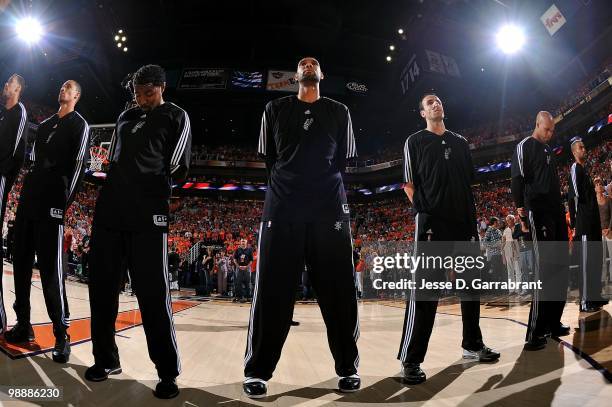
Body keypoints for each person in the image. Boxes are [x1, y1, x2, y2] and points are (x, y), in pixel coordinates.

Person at [243, 57, 360, 398]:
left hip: (329, 209)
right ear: (295, 76)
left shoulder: (340, 111)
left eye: (314, 63)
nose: (309, 65)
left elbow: (343, 162)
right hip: (283, 207)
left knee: (339, 291)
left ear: (321, 74)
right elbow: (270, 159)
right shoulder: (274, 109)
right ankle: (258, 371)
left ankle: (348, 367)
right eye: (303, 64)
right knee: (272, 291)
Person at [86, 64, 191, 399]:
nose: (143, 98)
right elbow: (113, 162)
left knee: (151, 294)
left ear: (161, 87)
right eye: (138, 92)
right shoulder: (125, 118)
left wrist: (148, 190)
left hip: (148, 215)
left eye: (148, 92)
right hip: (109, 212)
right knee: (102, 290)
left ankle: (167, 372)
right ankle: (106, 360)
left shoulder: (176, 116)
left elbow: (177, 167)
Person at [398, 93, 499, 385]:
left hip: (464, 223)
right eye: (429, 103)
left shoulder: (460, 142)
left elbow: (467, 181)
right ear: (422, 113)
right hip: (432, 225)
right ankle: (412, 358)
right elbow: (408, 183)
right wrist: (426, 213)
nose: (435, 104)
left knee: (471, 287)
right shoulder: (414, 142)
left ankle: (472, 344)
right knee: (427, 291)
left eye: (438, 101)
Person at [4, 80, 89, 366]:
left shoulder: (79, 125)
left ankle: (61, 334)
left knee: (52, 274)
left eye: (68, 88)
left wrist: (62, 204)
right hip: (30, 199)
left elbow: (79, 166)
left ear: (76, 95)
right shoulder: (44, 125)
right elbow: (35, 163)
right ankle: (23, 323)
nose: (62, 90)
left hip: (52, 204)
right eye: (62, 87)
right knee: (21, 265)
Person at [511, 111, 570, 351]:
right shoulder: (525, 146)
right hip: (539, 213)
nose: (550, 134)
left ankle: (553, 323)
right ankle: (534, 331)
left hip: (556, 214)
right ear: (537, 124)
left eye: (552, 130)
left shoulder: (548, 151)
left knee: (560, 269)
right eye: (547, 130)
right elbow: (517, 180)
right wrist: (521, 213)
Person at [0, 74, 27, 333]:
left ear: (17, 88)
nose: (4, 85)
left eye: (9, 83)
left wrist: (4, 179)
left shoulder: (19, 111)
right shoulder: (3, 115)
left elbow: (18, 152)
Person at [567, 139, 607, 312]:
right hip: (584, 224)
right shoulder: (575, 168)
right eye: (581, 147)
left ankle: (595, 296)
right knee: (585, 262)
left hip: (593, 223)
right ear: (574, 152)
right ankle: (584, 301)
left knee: (595, 261)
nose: (585, 149)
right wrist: (575, 224)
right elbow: (574, 197)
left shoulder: (585, 171)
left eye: (584, 146)